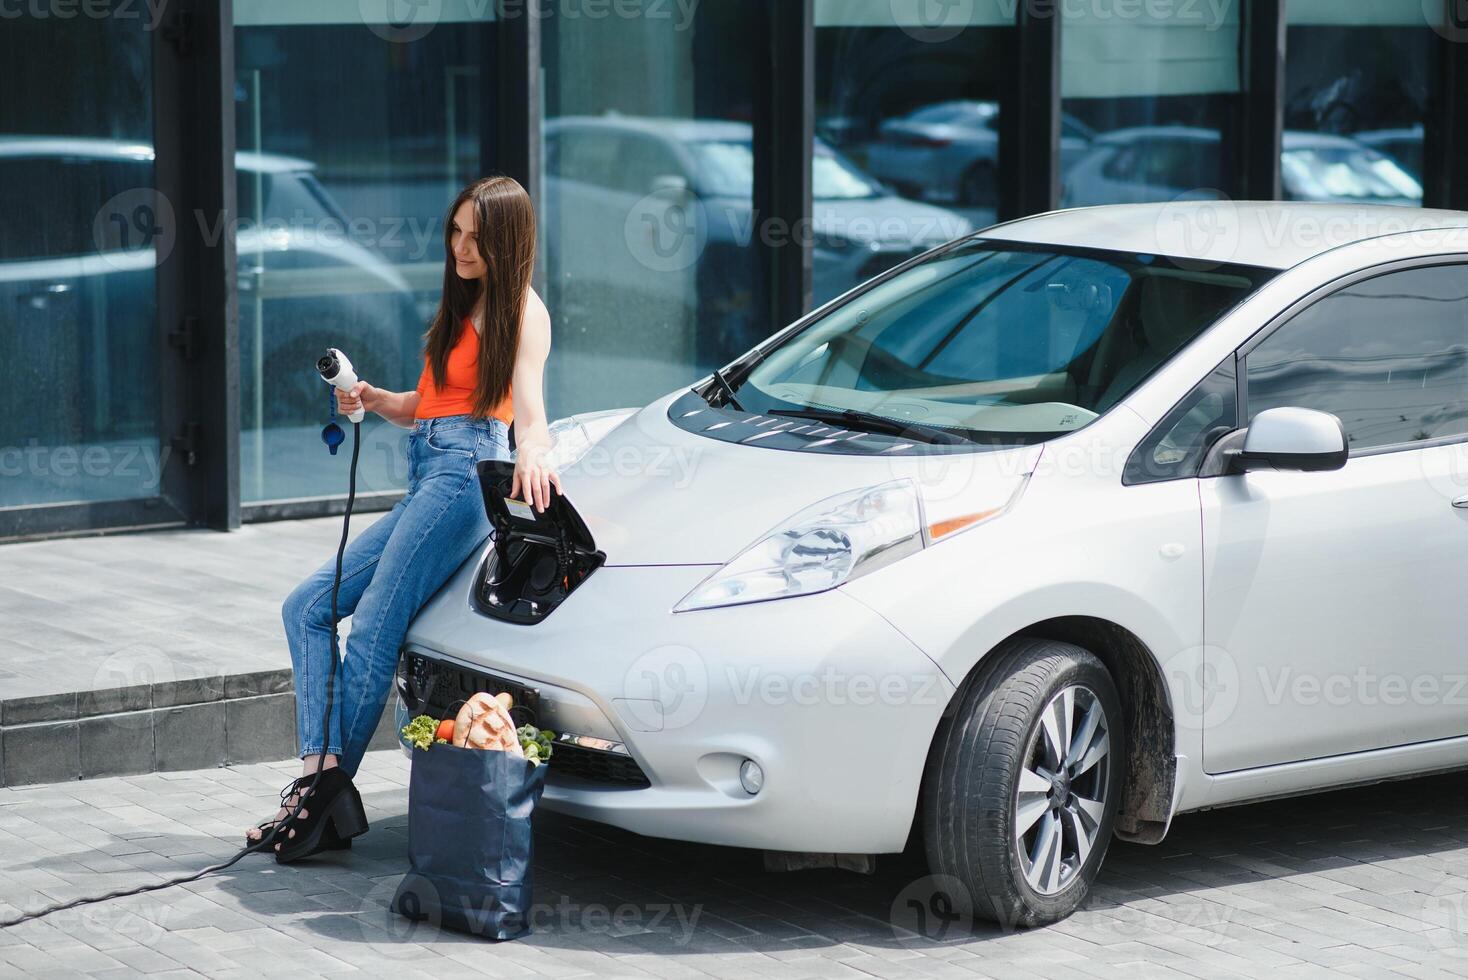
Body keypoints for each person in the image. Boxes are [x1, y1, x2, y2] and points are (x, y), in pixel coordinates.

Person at [246, 175, 561, 862]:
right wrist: (378, 398)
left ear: (507, 240)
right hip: (429, 473)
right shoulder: (466, 302)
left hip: (461, 481)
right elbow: (437, 400)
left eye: (476, 237)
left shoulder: (520, 310)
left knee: (373, 632)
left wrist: (534, 453)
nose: (461, 247)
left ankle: (319, 797)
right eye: (455, 232)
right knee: (306, 607)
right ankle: (318, 783)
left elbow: (529, 410)